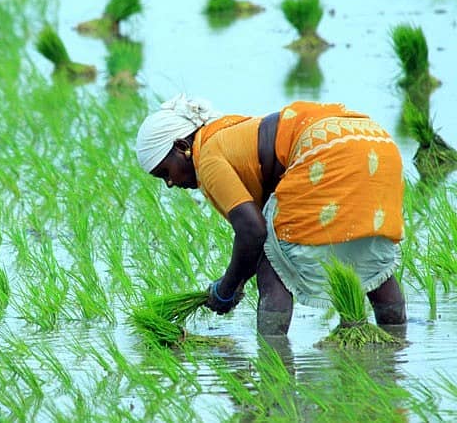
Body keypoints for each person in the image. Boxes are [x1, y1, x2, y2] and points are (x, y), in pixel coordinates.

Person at [135, 94, 407, 335]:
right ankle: (396, 340)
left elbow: (253, 232)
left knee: (271, 258)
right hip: (373, 142)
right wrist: (236, 281)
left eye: (164, 173)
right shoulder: (232, 131)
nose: (170, 184)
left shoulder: (207, 156)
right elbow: (257, 230)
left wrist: (226, 288)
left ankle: (274, 359)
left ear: (182, 147)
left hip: (327, 147)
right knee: (365, 247)